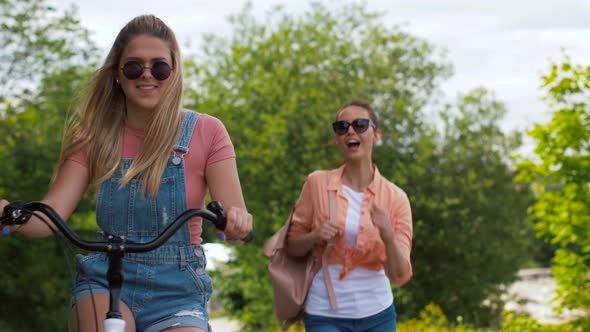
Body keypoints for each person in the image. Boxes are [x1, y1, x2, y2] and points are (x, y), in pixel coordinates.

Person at [0, 14, 252, 332]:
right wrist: (11, 214)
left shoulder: (207, 131)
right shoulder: (93, 135)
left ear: (173, 73)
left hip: (178, 291)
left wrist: (236, 224)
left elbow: (234, 221)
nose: (147, 75)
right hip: (106, 277)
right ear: (118, 74)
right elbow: (50, 217)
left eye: (159, 67)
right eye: (134, 66)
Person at [286, 100, 413, 331]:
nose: (350, 131)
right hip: (324, 314)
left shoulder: (396, 198)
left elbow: (400, 275)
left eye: (360, 124)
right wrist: (314, 236)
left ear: (377, 135)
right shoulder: (317, 183)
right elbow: (292, 247)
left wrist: (388, 236)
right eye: (342, 127)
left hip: (379, 315)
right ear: (337, 138)